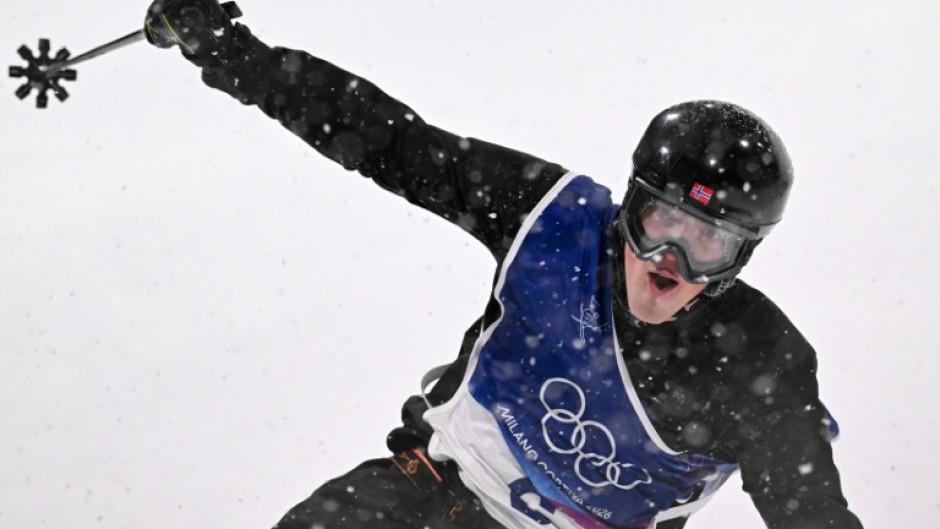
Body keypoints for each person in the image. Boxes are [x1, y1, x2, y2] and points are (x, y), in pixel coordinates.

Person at [143, 2, 865, 528]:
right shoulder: (551, 222)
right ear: (628, 204)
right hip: (422, 495)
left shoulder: (758, 362)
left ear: (741, 259)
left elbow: (811, 510)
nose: (667, 259)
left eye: (708, 243)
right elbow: (391, 142)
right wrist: (237, 56)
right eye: (659, 221)